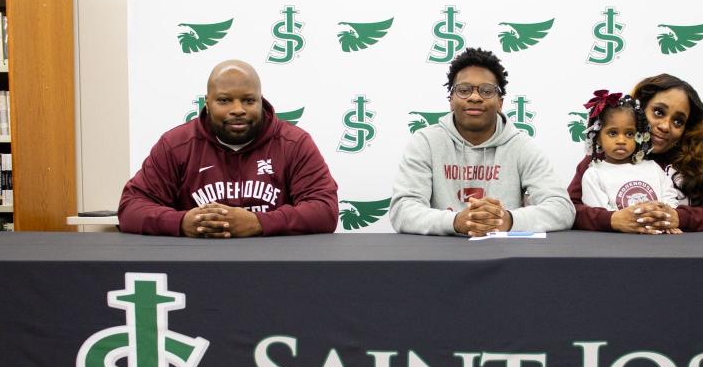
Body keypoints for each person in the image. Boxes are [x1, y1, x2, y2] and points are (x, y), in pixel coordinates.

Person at [118, 59, 338, 237]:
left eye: (249, 101)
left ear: (261, 101)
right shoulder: (177, 145)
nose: (238, 109)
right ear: (207, 102)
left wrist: (258, 223)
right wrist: (182, 222)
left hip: (274, 266)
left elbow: (325, 210)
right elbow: (131, 207)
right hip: (195, 266)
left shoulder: (293, 143)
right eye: (224, 101)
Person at [389, 47, 574, 236]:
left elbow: (562, 209)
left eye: (486, 91)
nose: (475, 97)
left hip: (506, 256)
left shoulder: (521, 146)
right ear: (451, 99)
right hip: (440, 256)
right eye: (464, 90)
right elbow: (402, 210)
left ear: (500, 102)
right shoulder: (426, 143)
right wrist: (455, 221)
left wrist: (507, 220)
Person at [568, 74, 703, 233]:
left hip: (681, 251)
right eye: (658, 112)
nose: (666, 126)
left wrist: (677, 217)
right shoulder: (608, 153)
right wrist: (612, 219)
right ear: (639, 109)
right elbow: (568, 208)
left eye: (678, 121)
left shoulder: (697, 149)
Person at [578, 90, 682, 234]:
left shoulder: (653, 168)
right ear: (598, 138)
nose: (621, 140)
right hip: (618, 246)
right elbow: (603, 215)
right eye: (613, 133)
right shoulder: (593, 174)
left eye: (629, 134)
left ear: (639, 136)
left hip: (660, 242)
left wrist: (666, 220)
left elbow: (669, 198)